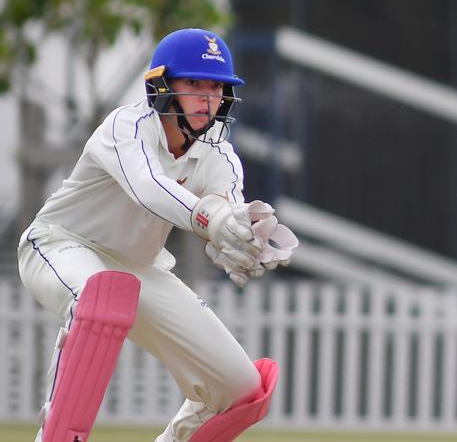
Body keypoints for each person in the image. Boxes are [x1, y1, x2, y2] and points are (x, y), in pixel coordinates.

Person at [17, 28, 297, 442]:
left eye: (217, 86)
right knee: (99, 296)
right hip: (60, 243)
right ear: (162, 87)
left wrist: (237, 237)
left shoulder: (220, 154)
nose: (207, 97)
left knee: (241, 389)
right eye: (194, 83)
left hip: (140, 269)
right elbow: (149, 187)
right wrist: (210, 222)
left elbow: (224, 204)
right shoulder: (126, 126)